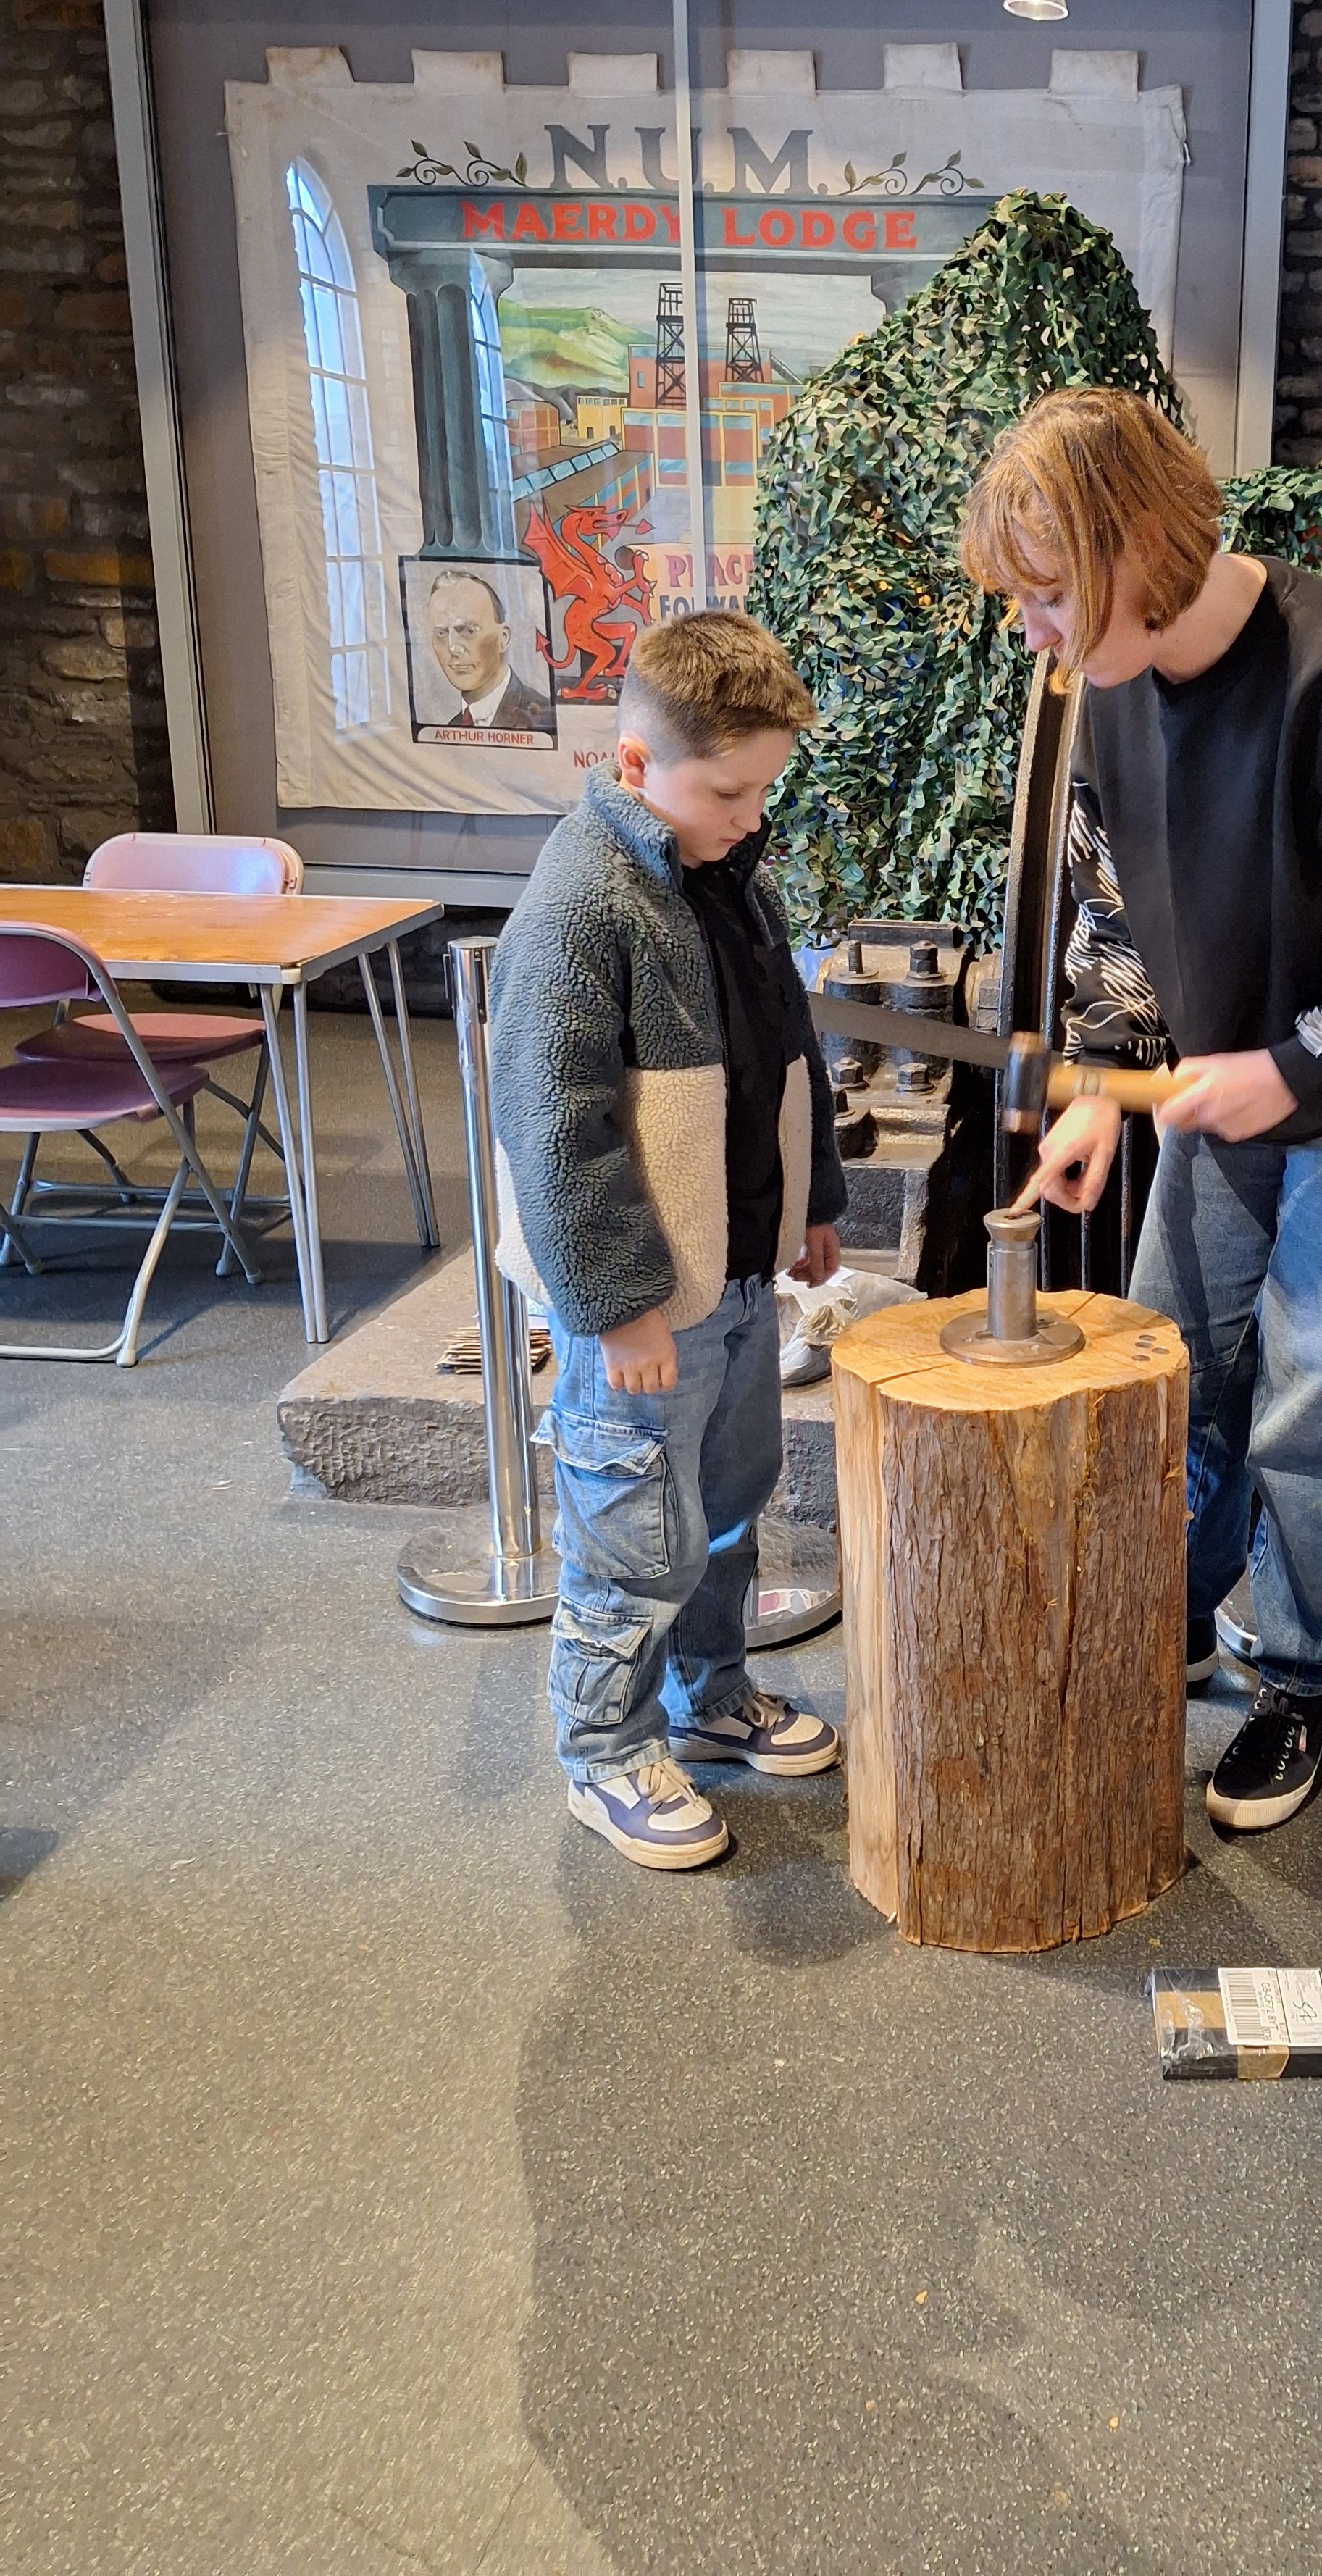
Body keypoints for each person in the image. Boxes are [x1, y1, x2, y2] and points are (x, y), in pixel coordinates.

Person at [961, 390, 1322, 1836]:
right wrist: (1104, 1086)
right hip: (1237, 1069)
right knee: (1179, 1367)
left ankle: (1293, 1682)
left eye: (1048, 597)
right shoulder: (1104, 693)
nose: (1028, 628)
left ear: (1138, 549)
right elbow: (1115, 918)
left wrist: (1286, 1072)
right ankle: (1157, 1627)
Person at [488, 611, 846, 1870]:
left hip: (741, 1277)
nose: (753, 815)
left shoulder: (732, 876)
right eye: (730, 789)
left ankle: (707, 1694)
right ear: (635, 764)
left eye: (764, 790)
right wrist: (618, 1303)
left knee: (729, 1508)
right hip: (648, 1305)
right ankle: (605, 1749)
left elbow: (789, 1057)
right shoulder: (582, 906)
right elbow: (554, 1130)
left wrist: (815, 1199)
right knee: (633, 1537)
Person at [423, 566, 556, 736]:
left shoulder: (542, 718)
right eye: (442, 633)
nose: (453, 648)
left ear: (503, 638)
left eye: (468, 630)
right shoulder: (453, 727)